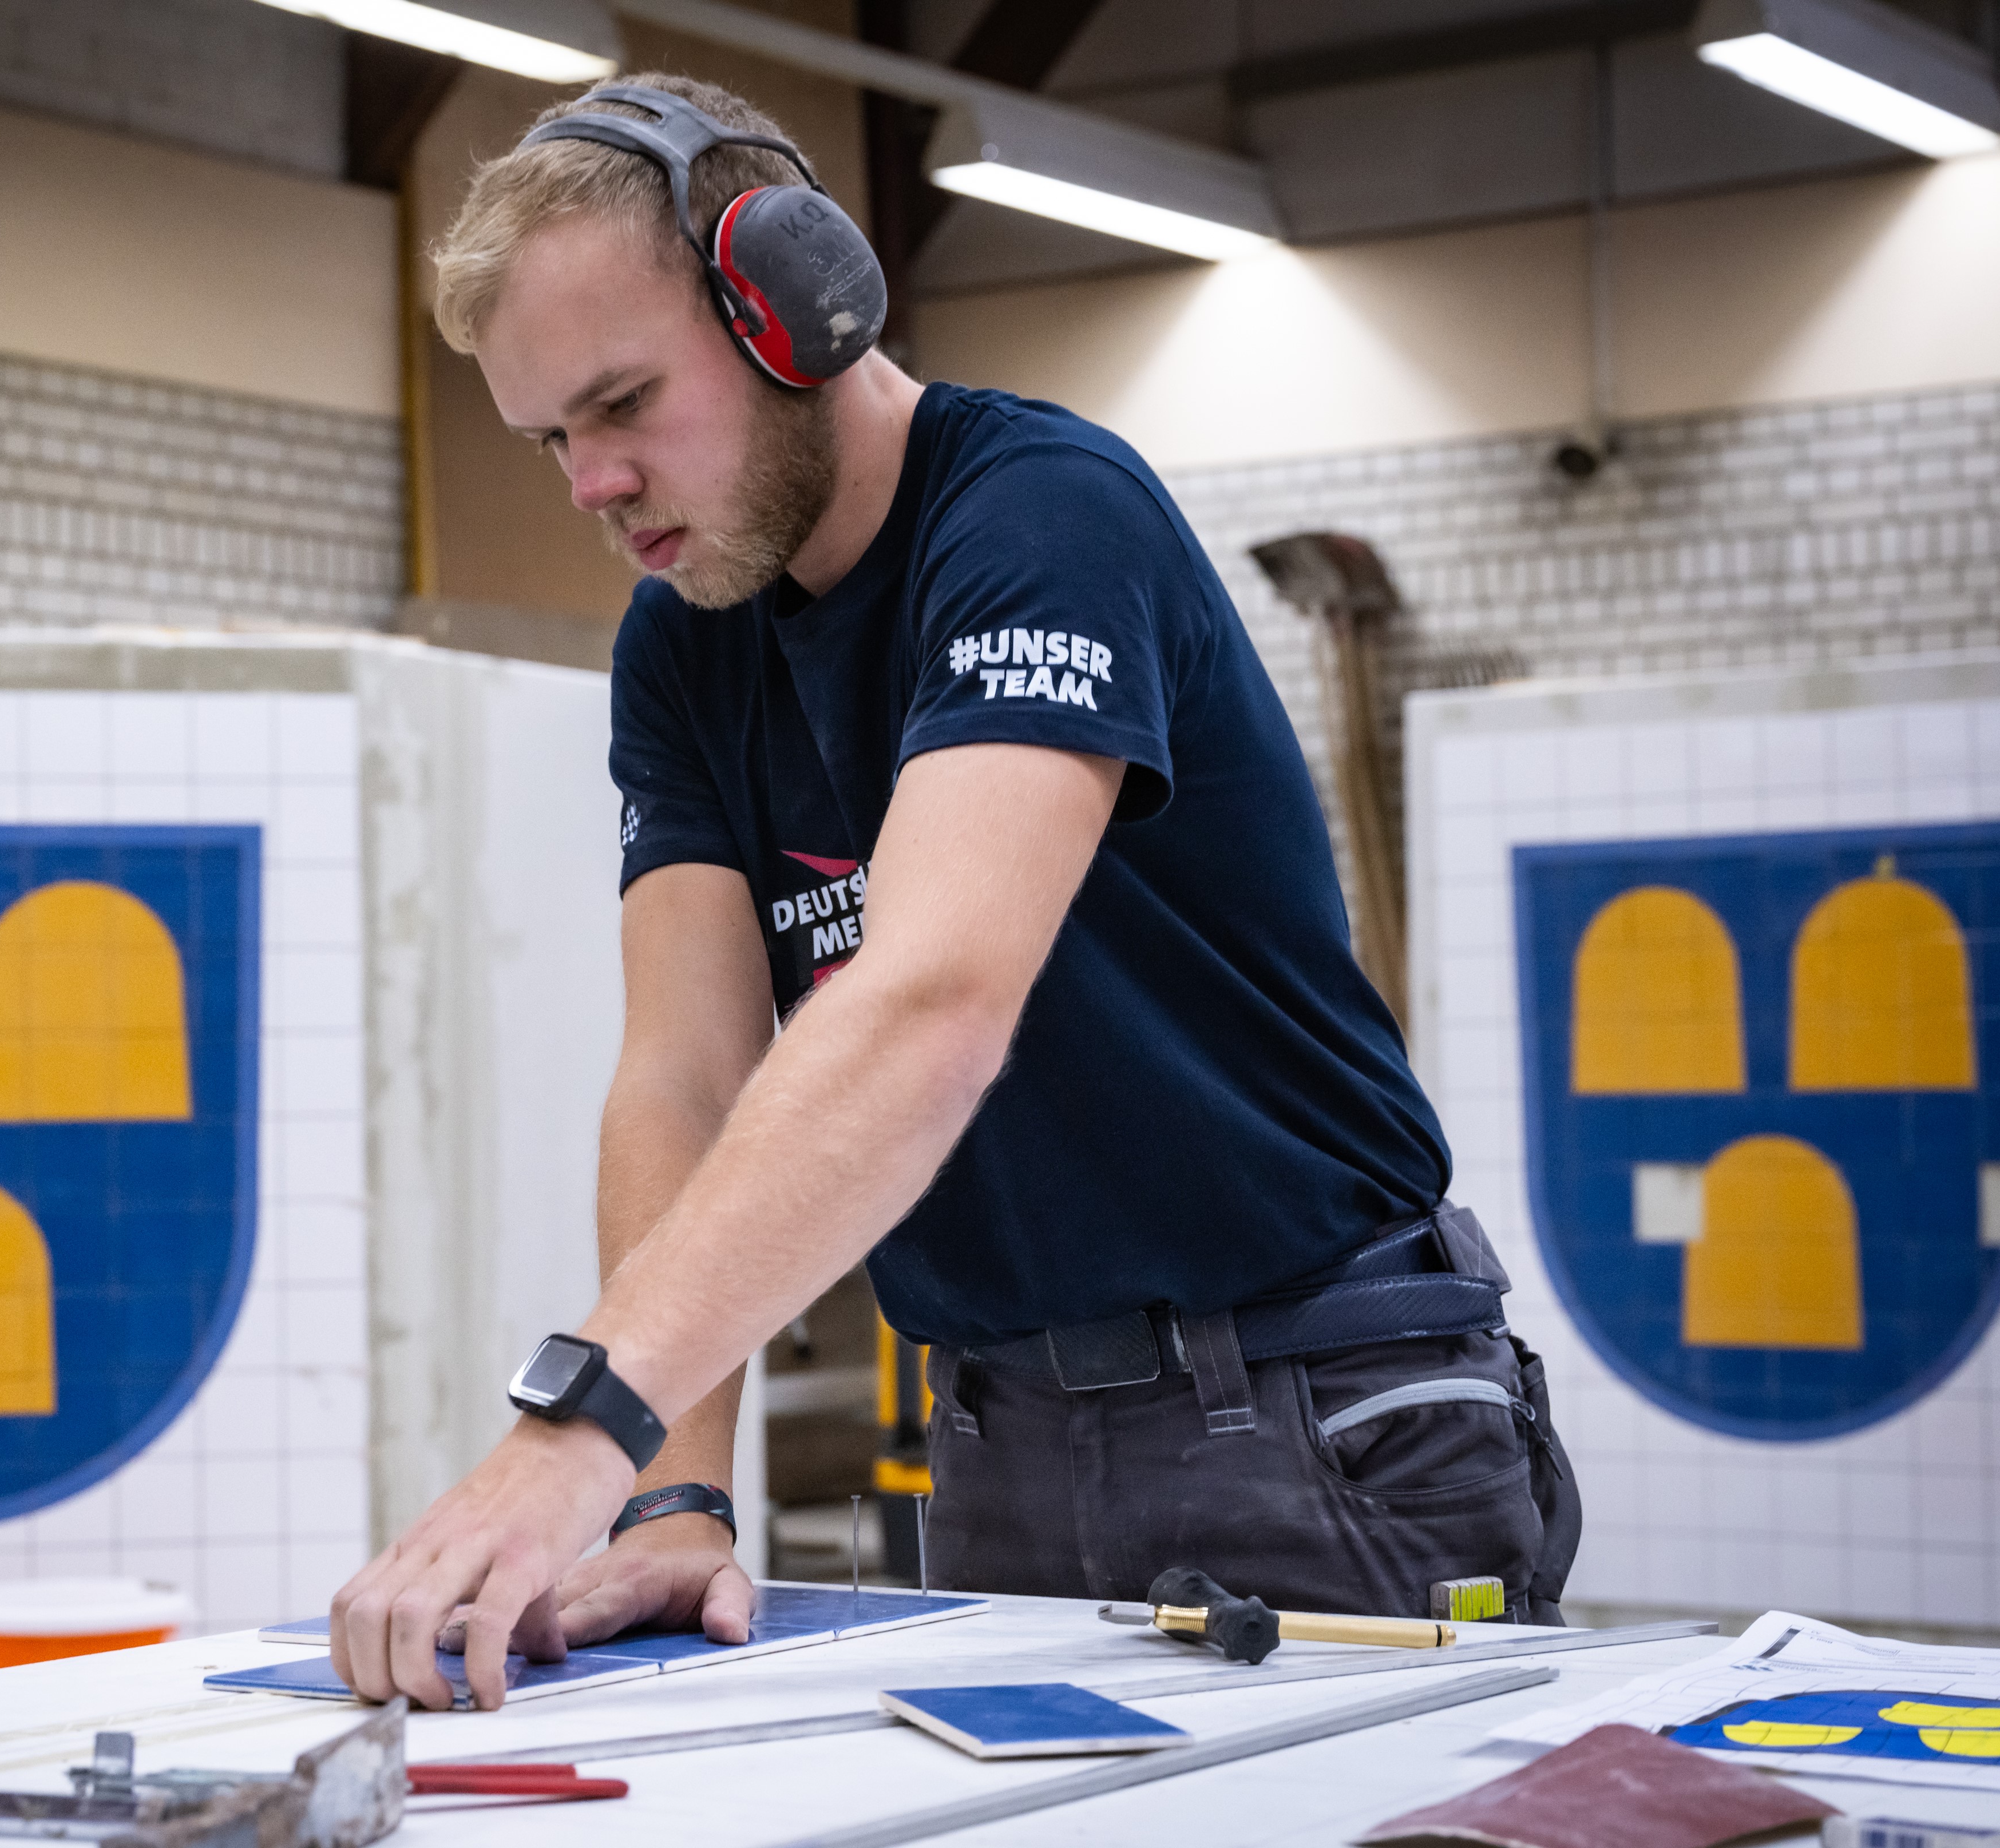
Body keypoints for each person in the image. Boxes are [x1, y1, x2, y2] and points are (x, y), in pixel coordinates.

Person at [330, 73, 1578, 1712]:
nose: (591, 483)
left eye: (624, 403)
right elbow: (686, 1077)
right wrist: (676, 1490)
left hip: (1313, 1408)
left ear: (797, 309)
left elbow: (929, 1004)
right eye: (552, 435)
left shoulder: (1043, 520)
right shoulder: (688, 643)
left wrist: (582, 1419)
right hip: (1000, 1432)